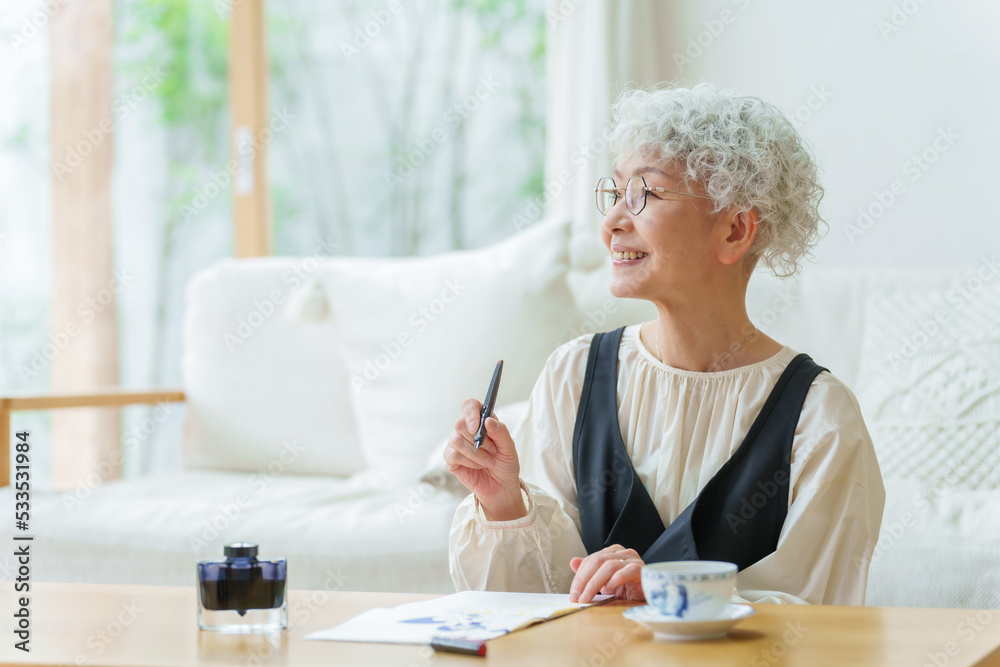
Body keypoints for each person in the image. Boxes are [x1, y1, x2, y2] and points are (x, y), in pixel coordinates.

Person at [443, 83, 885, 606]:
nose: (610, 224)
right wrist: (503, 503)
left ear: (735, 230)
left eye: (644, 195)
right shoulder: (574, 374)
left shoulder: (820, 417)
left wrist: (664, 591)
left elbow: (818, 620)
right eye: (615, 194)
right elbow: (532, 606)